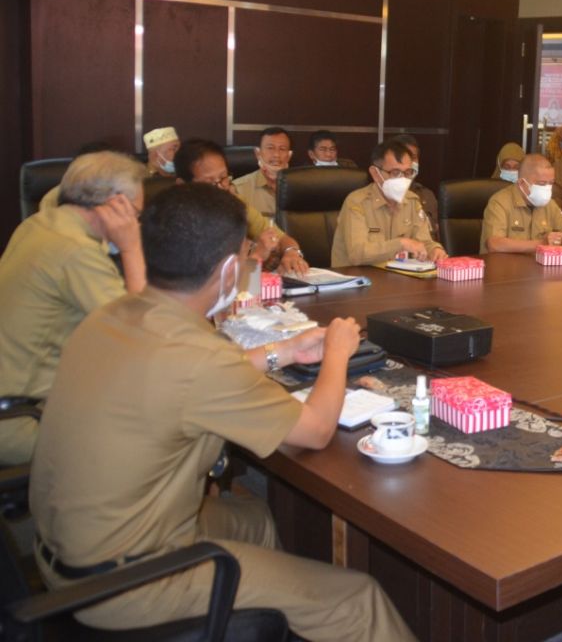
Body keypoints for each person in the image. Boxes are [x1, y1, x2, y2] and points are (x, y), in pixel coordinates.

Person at [29, 184, 415, 641]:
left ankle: (270, 621)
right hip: (120, 582)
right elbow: (312, 431)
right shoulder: (201, 357)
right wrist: (336, 352)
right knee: (358, 599)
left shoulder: (116, 313)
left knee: (254, 519)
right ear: (231, 269)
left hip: (57, 546)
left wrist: (284, 352)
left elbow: (188, 375)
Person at [0, 151, 146, 465]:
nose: (136, 222)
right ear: (115, 206)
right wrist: (132, 247)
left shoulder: (39, 223)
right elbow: (141, 336)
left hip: (17, 401)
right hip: (21, 420)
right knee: (153, 431)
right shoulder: (76, 251)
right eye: (136, 213)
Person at [175, 138, 309, 275]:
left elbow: (281, 238)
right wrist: (257, 257)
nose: (221, 189)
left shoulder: (234, 203)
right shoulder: (176, 222)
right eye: (209, 183)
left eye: (223, 178)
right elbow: (207, 284)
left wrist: (290, 252)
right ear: (182, 186)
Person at [330, 140, 446, 267]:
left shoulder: (413, 201)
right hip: (358, 280)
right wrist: (401, 244)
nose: (403, 179)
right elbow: (357, 254)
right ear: (375, 174)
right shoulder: (356, 203)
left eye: (407, 173)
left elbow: (424, 241)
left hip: (398, 279)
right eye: (395, 173)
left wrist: (435, 250)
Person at [481, 153, 562, 253]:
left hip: (537, 266)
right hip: (505, 267)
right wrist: (542, 243)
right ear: (522, 183)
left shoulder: (549, 204)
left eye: (551, 183)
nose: (547, 188)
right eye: (541, 183)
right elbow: (494, 244)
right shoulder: (499, 202)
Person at [233, 126, 292, 219]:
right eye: (270, 148)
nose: (276, 154)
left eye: (282, 149)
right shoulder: (238, 189)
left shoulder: (301, 188)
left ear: (289, 156)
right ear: (258, 153)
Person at [391, 133, 439, 241]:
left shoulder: (427, 196)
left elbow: (435, 237)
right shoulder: (384, 195)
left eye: (413, 157)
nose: (409, 163)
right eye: (403, 157)